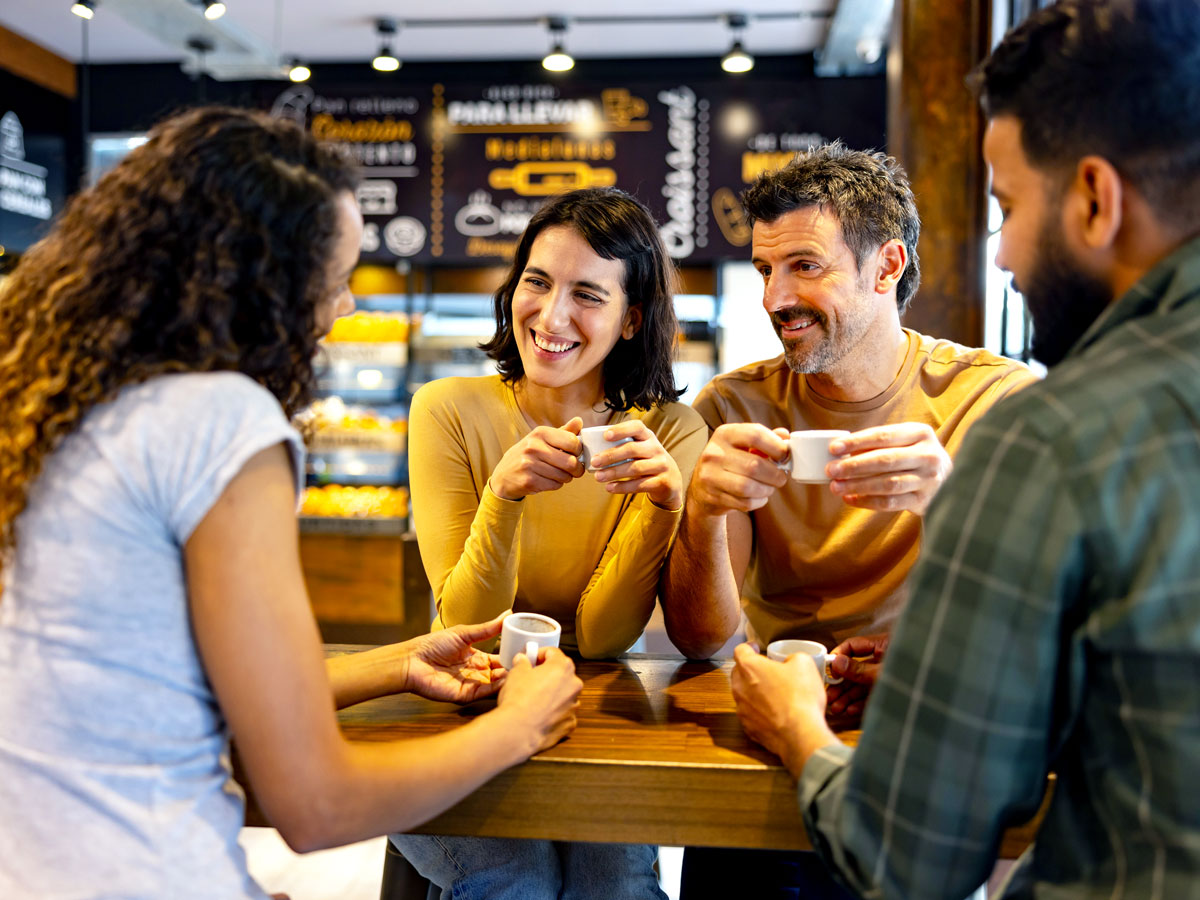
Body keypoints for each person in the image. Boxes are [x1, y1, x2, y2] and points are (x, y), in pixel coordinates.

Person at [0, 106, 582, 900]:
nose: (343, 308)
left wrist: (392, 664)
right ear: (252, 287)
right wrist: (522, 727)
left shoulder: (48, 402)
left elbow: (144, 677)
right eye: (330, 280)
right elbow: (315, 803)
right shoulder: (218, 420)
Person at [731, 1, 1200, 897]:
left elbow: (910, 854)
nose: (1008, 254)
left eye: (1008, 207)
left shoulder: (1049, 433)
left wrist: (797, 728)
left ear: (1096, 201)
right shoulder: (736, 405)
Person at [660, 142, 1034, 898]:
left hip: (917, 741)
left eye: (805, 266)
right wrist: (702, 508)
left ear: (887, 266)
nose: (774, 298)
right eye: (766, 269)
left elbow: (1032, 624)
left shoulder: (992, 402)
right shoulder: (732, 407)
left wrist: (951, 500)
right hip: (767, 726)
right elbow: (702, 639)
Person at [391, 187, 707, 899]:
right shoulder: (447, 409)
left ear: (631, 320)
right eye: (537, 281)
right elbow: (466, 624)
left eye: (588, 295)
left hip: (595, 714)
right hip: (458, 708)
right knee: (516, 880)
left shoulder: (673, 434)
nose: (551, 315)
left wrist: (662, 505)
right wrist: (503, 496)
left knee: (618, 888)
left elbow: (600, 637)